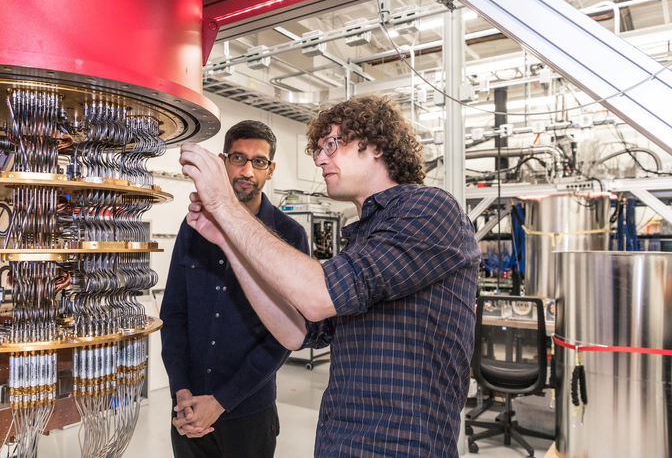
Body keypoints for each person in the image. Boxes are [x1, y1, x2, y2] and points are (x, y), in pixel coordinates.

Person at [178, 95, 481, 457]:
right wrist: (227, 242)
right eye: (319, 149)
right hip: (339, 442)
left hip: (400, 447)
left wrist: (224, 204)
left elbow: (319, 296)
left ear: (377, 146)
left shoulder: (431, 209)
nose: (321, 159)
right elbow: (298, 332)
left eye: (332, 145)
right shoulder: (362, 238)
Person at [160, 120, 309, 458]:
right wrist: (181, 391)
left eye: (258, 162)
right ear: (223, 161)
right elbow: (174, 312)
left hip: (249, 412)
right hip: (188, 409)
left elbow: (287, 334)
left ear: (270, 170)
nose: (246, 170)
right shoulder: (194, 225)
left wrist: (222, 401)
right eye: (238, 158)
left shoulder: (289, 236)